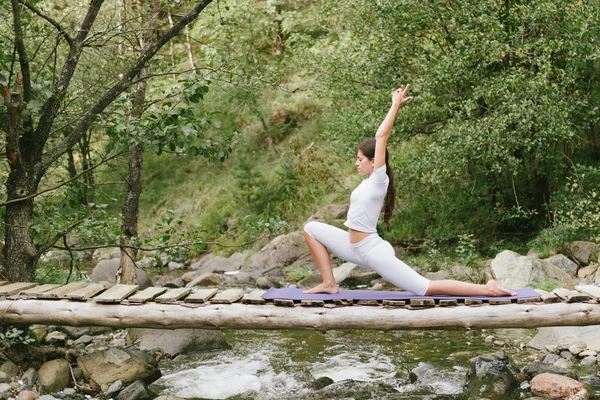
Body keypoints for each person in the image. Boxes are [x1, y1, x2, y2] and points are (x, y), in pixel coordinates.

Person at [303, 85, 516, 297]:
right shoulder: (366, 182)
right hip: (353, 248)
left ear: (374, 161)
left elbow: (381, 136)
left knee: (425, 288)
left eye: (360, 159)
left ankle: (487, 288)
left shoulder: (379, 179)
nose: (356, 163)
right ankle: (329, 283)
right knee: (311, 228)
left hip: (372, 252)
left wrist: (395, 106)